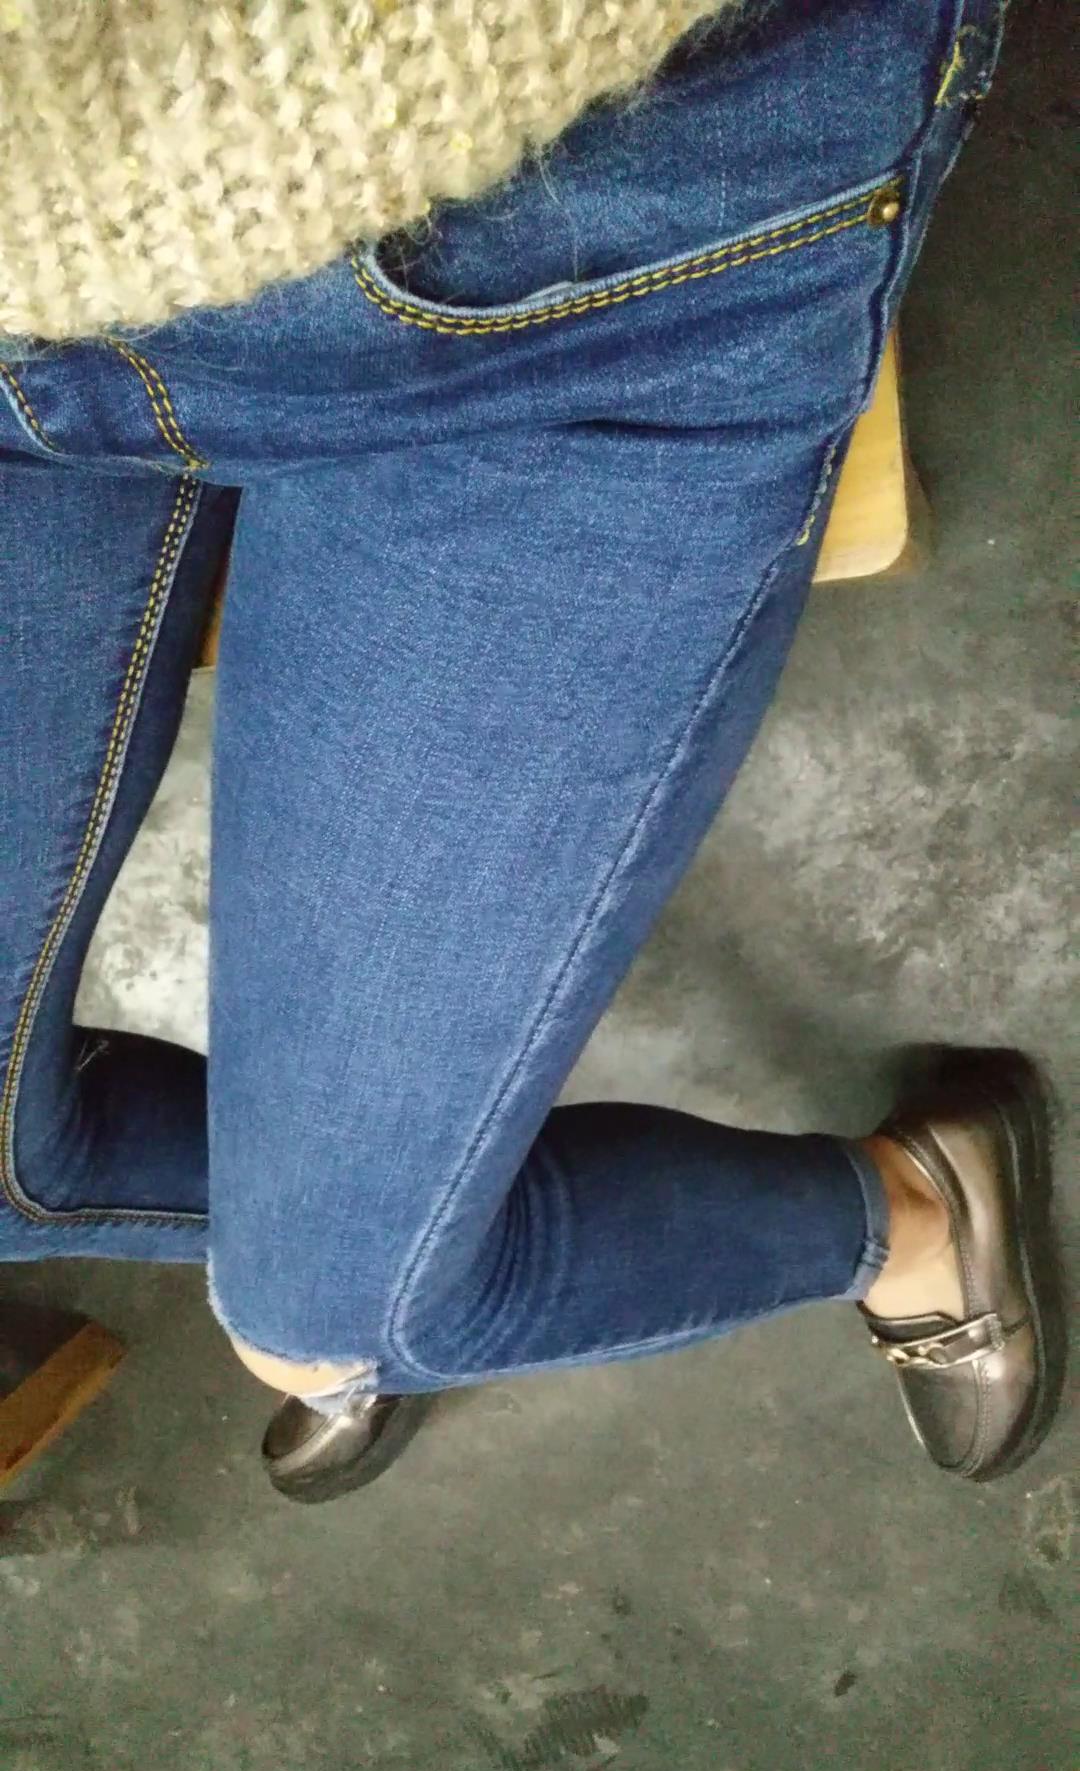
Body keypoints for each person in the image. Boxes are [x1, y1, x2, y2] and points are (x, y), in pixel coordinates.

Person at [2, 0, 1062, 1507]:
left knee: (340, 1322)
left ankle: (908, 1216)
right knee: (240, 1254)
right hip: (38, 303)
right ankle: (379, 1247)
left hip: (527, 239)